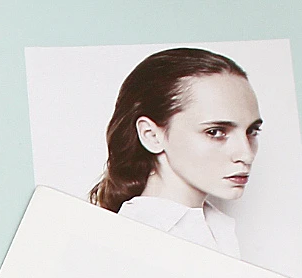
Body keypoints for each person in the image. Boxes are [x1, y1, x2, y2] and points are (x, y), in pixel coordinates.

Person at [89, 47, 262, 258]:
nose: (246, 154)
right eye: (215, 132)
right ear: (151, 135)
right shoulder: (132, 240)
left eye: (252, 131)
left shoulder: (217, 229)